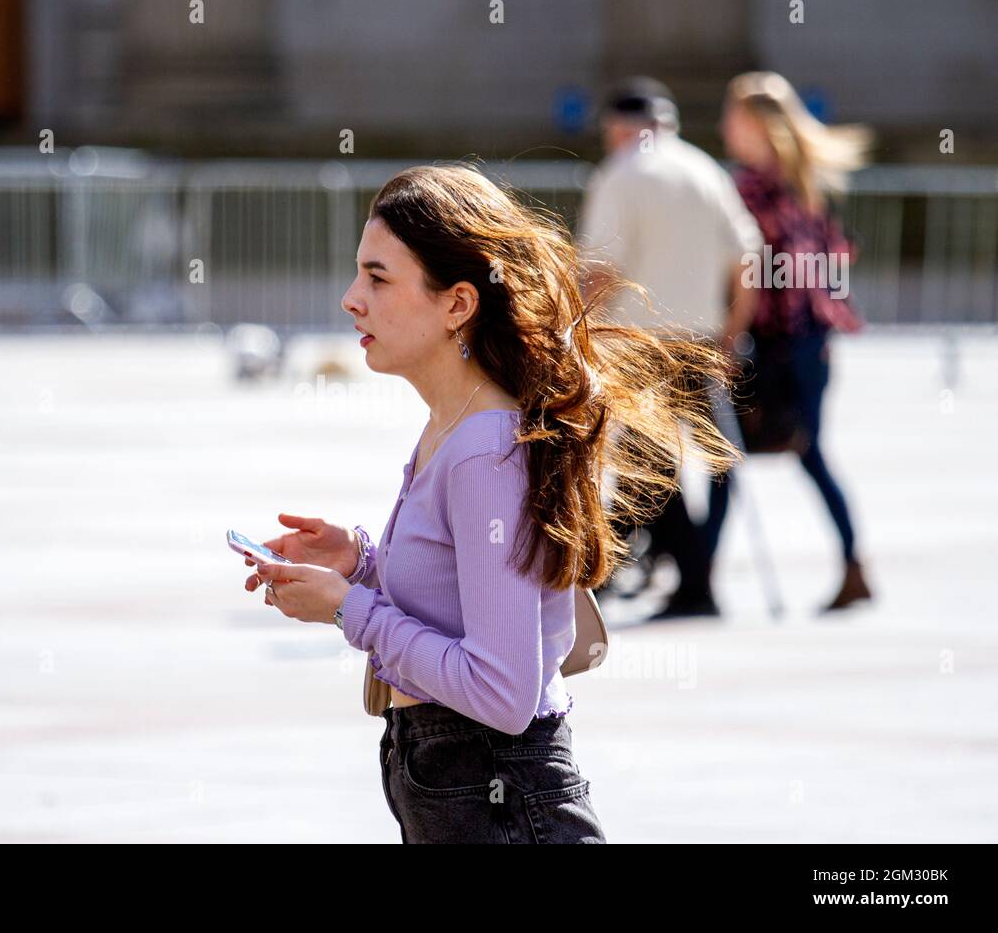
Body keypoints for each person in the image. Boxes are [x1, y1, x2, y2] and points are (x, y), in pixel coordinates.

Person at [239, 163, 737, 843]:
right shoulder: (454, 423)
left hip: (500, 799)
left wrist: (347, 609)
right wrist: (359, 562)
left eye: (378, 278)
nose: (353, 299)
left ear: (458, 304)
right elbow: (459, 594)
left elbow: (502, 693)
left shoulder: (482, 447)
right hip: (467, 786)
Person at [577, 77, 763, 619]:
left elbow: (602, 272)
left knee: (648, 468)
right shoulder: (706, 171)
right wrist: (733, 330)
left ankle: (690, 582)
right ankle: (694, 578)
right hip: (702, 342)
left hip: (640, 346)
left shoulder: (620, 174)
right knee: (719, 459)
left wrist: (577, 331)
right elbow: (748, 259)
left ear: (618, 127)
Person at [716, 70, 874, 611]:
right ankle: (854, 565)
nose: (724, 126)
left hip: (777, 346)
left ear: (757, 123)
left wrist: (730, 327)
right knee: (804, 453)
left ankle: (699, 579)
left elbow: (748, 270)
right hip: (813, 342)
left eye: (733, 116)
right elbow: (833, 263)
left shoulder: (752, 188)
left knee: (731, 453)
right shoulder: (806, 183)